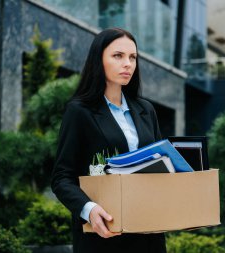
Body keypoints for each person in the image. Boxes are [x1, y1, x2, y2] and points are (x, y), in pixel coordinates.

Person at [51, 28, 166, 253]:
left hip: (149, 236)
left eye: (133, 57)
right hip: (104, 235)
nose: (128, 64)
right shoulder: (80, 111)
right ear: (98, 60)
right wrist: (89, 209)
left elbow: (160, 164)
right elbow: (62, 178)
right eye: (118, 56)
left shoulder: (146, 110)